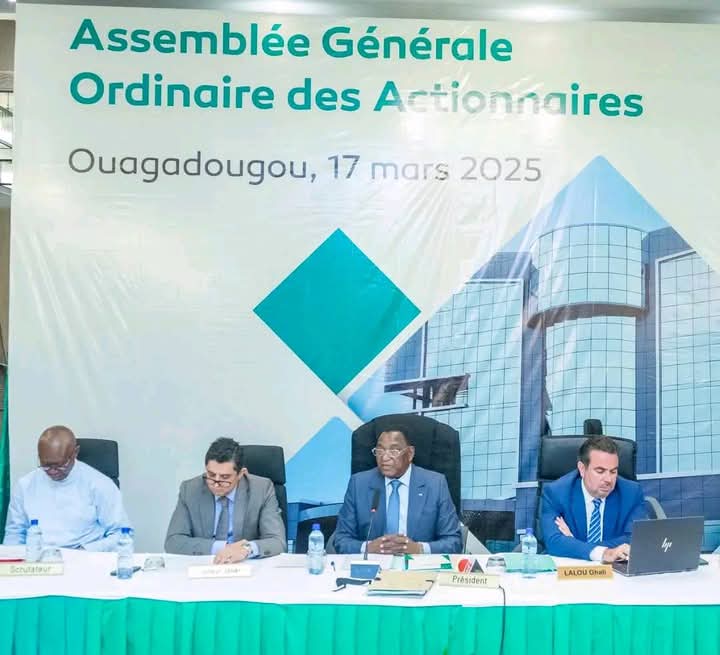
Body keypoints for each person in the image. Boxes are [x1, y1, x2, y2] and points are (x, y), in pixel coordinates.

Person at [334, 426, 462, 554]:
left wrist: (419, 548)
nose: (384, 458)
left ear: (410, 453)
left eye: (394, 451)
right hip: (374, 563)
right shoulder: (359, 484)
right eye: (380, 450)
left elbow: (454, 541)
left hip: (418, 564)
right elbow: (341, 539)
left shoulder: (435, 484)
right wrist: (368, 548)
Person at [3, 425, 130, 551]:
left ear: (75, 453)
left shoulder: (99, 484)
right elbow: (14, 533)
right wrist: (13, 558)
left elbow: (121, 534)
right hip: (38, 557)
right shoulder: (25, 485)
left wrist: (86, 551)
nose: (52, 471)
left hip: (85, 556)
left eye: (60, 465)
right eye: (45, 465)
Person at [165, 437, 285, 562]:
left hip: (245, 565)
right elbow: (173, 541)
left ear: (241, 474)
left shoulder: (261, 489)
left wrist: (245, 549)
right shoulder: (189, 490)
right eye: (211, 475)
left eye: (225, 477)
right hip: (205, 564)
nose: (216, 484)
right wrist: (223, 548)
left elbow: (277, 542)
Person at [541, 435, 646, 562]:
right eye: (600, 471)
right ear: (582, 469)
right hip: (571, 570)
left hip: (615, 571)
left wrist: (574, 543)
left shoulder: (631, 493)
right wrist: (605, 553)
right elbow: (554, 542)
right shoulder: (556, 493)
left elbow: (636, 539)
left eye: (613, 472)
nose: (608, 479)